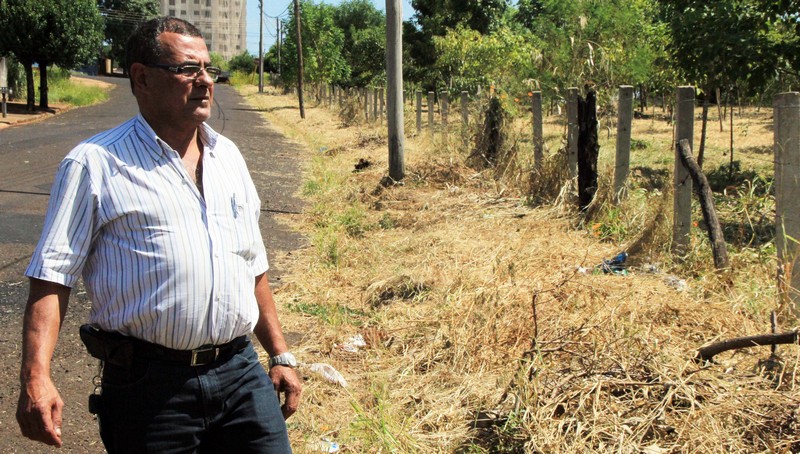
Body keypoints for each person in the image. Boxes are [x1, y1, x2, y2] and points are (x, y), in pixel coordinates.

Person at [16, 17, 301, 453]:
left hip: (240, 373)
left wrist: (279, 354)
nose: (206, 81)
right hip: (149, 388)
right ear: (142, 77)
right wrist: (36, 377)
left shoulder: (230, 158)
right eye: (188, 69)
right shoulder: (95, 164)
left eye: (209, 68)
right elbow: (52, 278)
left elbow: (252, 264)